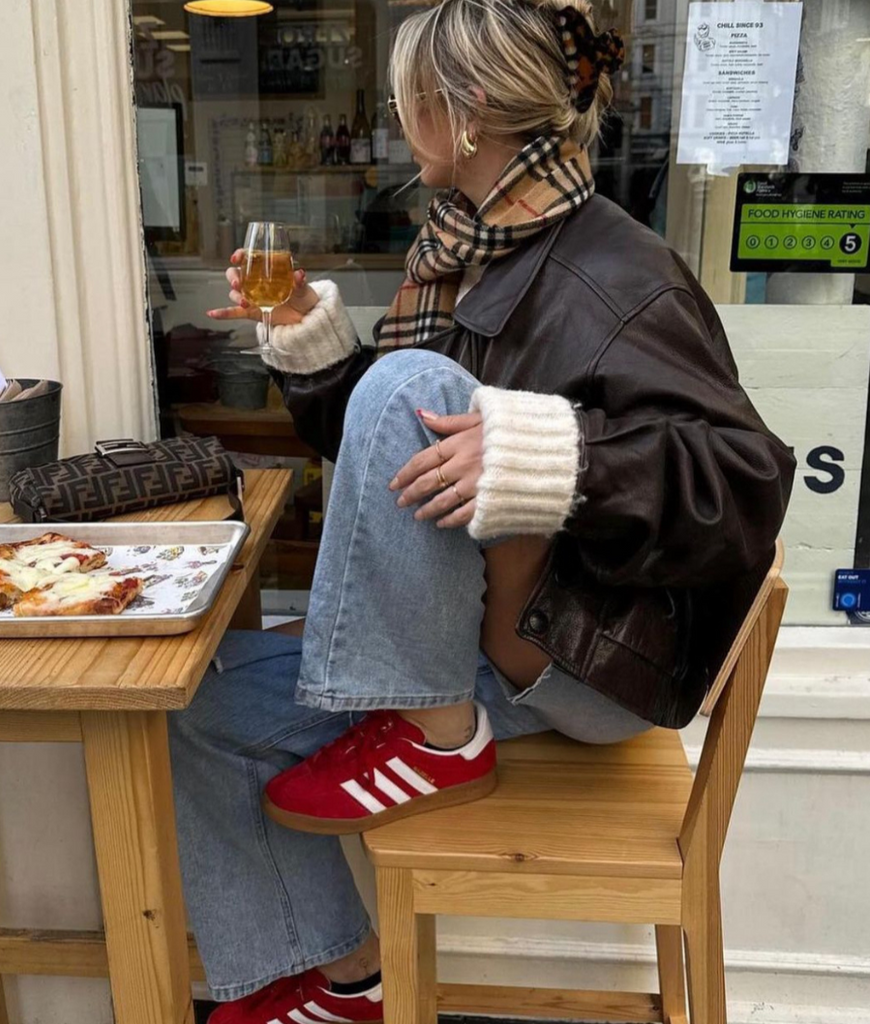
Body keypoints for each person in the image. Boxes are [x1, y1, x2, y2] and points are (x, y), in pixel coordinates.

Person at [171, 2, 796, 1022]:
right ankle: (341, 982)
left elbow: (739, 482)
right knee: (200, 707)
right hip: (466, 640)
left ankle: (431, 734)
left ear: (457, 114)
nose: (390, 116)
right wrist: (309, 336)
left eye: (402, 99)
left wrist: (556, 456)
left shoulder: (618, 273)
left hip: (589, 658)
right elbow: (401, 453)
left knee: (411, 376)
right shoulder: (465, 246)